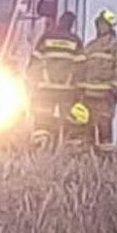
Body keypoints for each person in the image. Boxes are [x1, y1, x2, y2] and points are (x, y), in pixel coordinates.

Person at [27, 11, 85, 147]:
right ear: (71, 25)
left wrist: (31, 82)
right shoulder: (75, 41)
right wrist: (80, 89)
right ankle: (68, 149)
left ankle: (41, 148)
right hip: (67, 90)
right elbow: (81, 67)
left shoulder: (47, 38)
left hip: (45, 88)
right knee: (69, 120)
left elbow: (34, 62)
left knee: (42, 118)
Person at [82, 8, 117, 153]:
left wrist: (114, 88)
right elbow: (81, 67)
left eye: (104, 24)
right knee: (87, 127)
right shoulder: (90, 46)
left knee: (104, 127)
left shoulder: (116, 46)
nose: (101, 27)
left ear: (110, 26)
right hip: (88, 94)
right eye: (99, 24)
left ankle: (106, 158)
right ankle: (88, 158)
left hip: (105, 95)